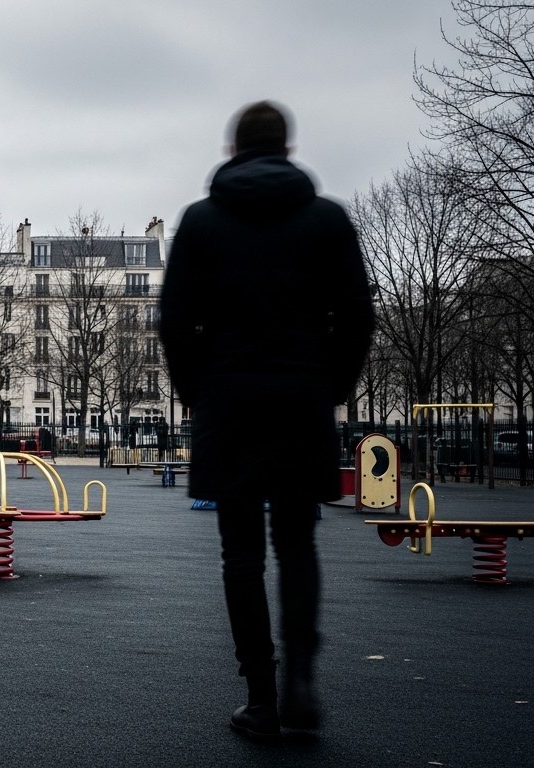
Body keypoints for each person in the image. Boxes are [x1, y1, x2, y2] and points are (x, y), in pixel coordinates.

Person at [158, 101, 375, 740]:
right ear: (286, 147)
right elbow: (358, 317)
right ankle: (303, 685)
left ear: (233, 150)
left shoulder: (201, 222)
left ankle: (260, 694)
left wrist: (195, 389)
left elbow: (174, 320)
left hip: (229, 400)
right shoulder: (328, 220)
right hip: (302, 398)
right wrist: (332, 385)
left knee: (241, 555)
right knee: (298, 544)